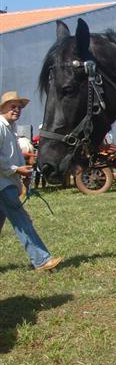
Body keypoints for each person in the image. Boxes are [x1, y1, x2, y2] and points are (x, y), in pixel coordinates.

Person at [0, 91, 62, 272]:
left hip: (7, 181)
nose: (17, 110)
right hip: (3, 183)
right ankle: (41, 260)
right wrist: (16, 169)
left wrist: (22, 170)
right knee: (21, 220)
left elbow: (12, 155)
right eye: (13, 106)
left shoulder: (11, 128)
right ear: (2, 108)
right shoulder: (1, 127)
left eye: (19, 107)